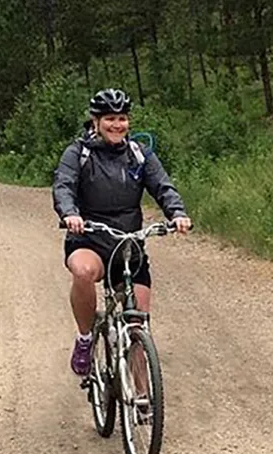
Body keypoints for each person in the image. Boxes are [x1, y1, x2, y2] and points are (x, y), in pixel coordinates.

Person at [52, 88, 192, 379]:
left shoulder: (139, 155)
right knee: (82, 271)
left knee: (137, 324)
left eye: (122, 118)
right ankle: (85, 338)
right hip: (89, 236)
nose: (117, 125)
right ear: (95, 121)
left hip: (129, 244)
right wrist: (70, 214)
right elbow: (63, 185)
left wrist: (176, 213)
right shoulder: (78, 153)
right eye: (110, 119)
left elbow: (162, 186)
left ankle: (141, 397)